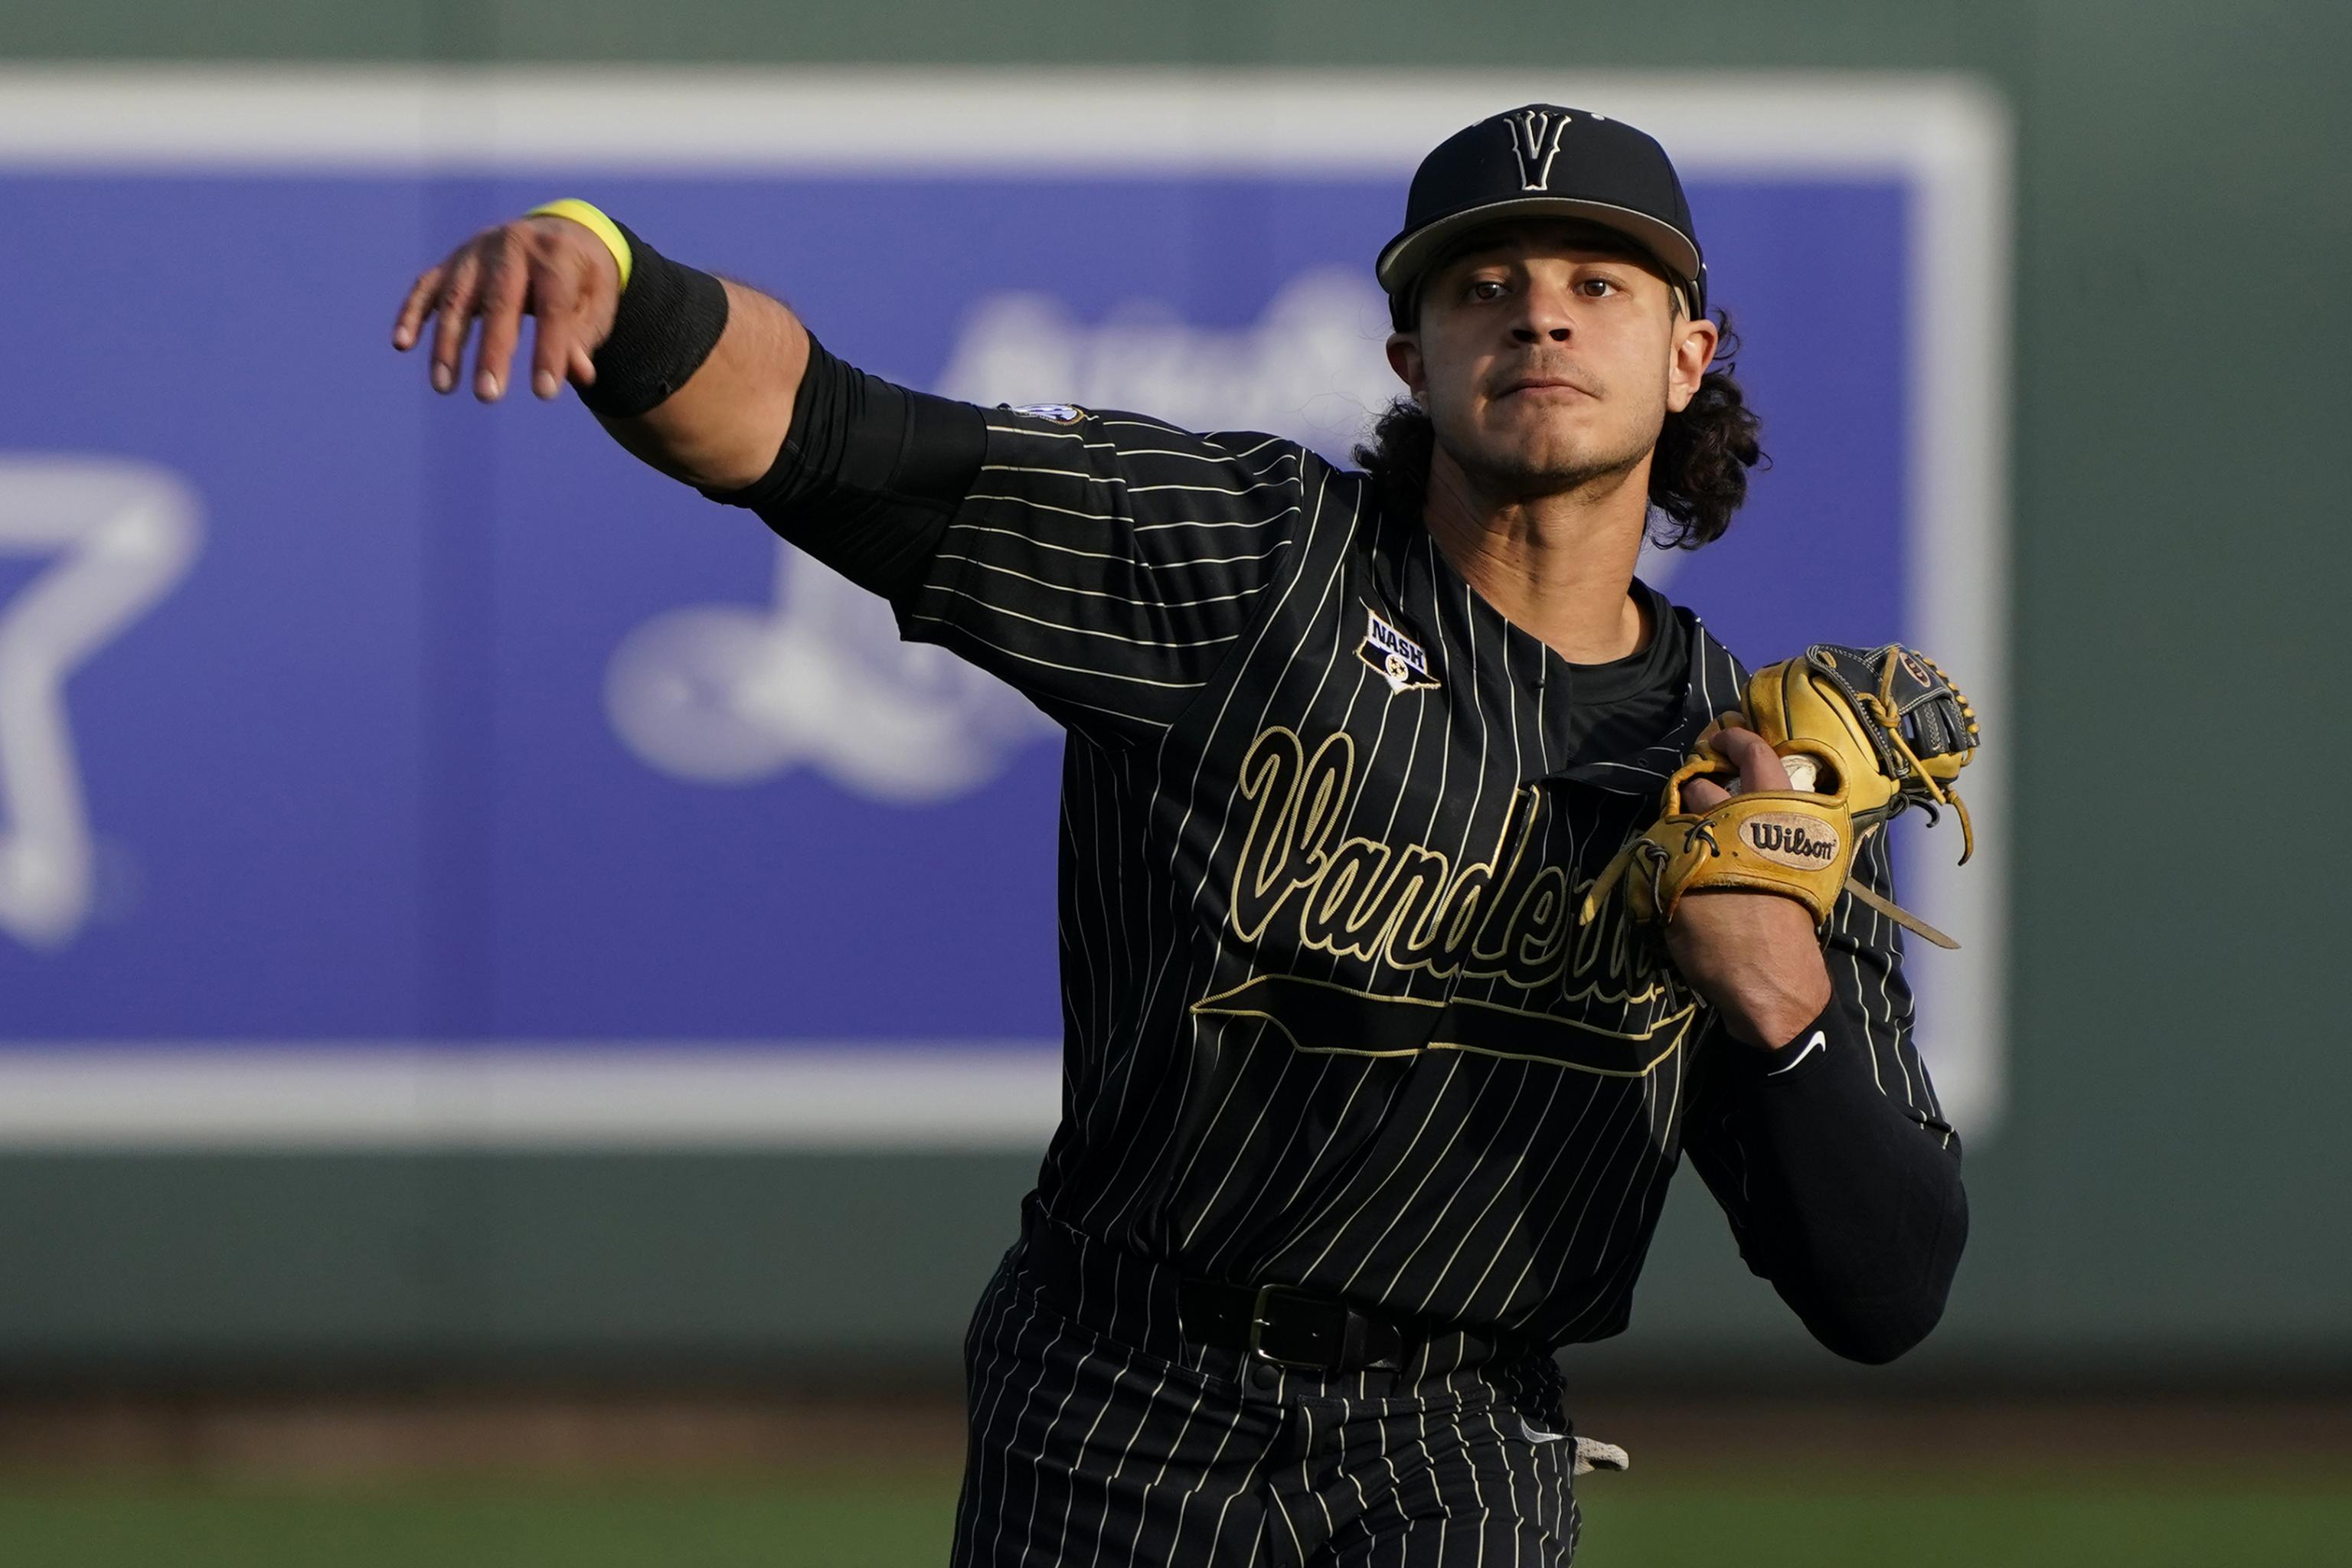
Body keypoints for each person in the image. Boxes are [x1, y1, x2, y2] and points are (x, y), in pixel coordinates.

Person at [393, 103, 1967, 1566]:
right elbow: (822, 432)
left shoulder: (1755, 774)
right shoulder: (1238, 561)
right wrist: (613, 269)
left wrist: (1776, 992)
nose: (1540, 313)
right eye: (1482, 283)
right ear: (1412, 357)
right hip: (1127, 1400)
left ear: (1689, 354)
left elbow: (1885, 1289)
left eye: (1596, 283)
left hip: (1463, 1441)